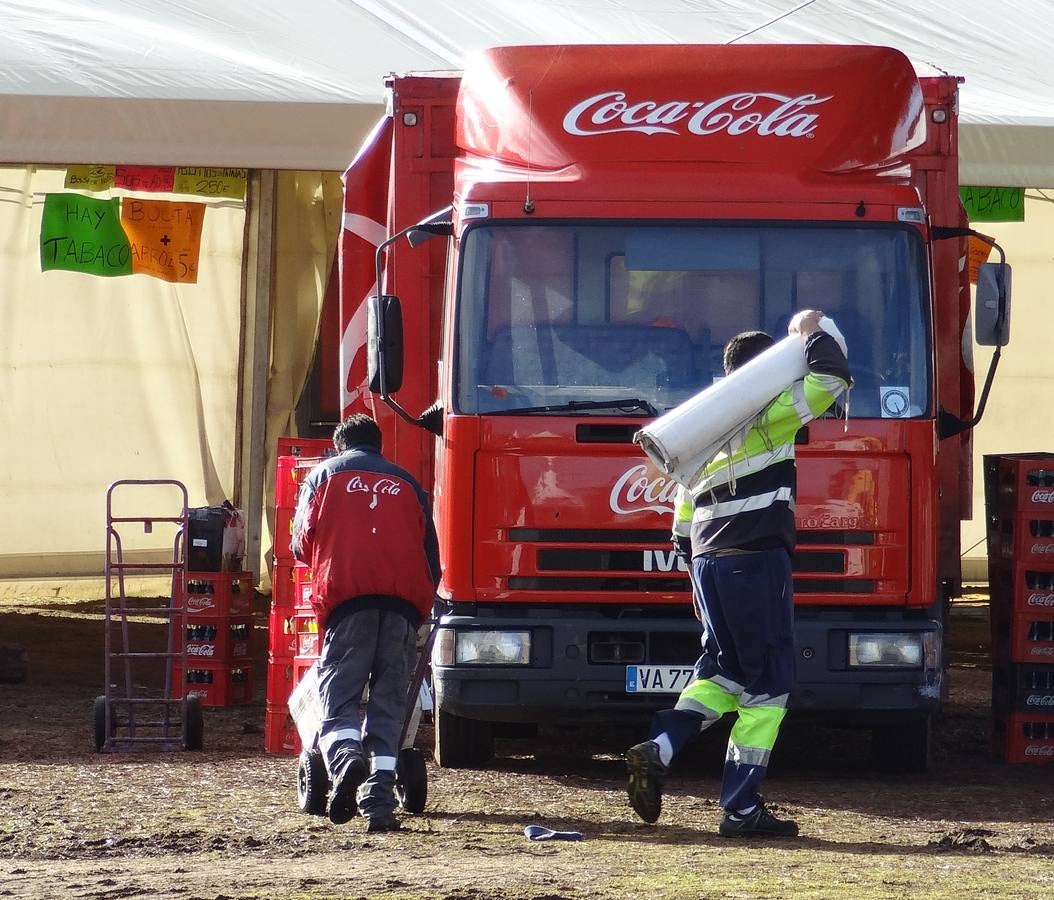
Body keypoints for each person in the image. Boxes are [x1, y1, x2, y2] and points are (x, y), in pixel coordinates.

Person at [626, 309, 851, 837]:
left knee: (724, 672)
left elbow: (681, 527)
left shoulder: (700, 432)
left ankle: (659, 747)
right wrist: (810, 330)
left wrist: (703, 579)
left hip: (708, 565)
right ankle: (742, 808)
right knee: (770, 684)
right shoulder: (768, 415)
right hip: (755, 561)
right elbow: (831, 378)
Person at [292, 413, 440, 832]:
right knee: (389, 705)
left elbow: (301, 541)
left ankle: (346, 760)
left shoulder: (323, 477)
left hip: (348, 603)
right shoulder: (407, 483)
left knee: (338, 699)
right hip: (403, 609)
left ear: (340, 444)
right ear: (379, 445)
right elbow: (432, 557)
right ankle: (379, 802)